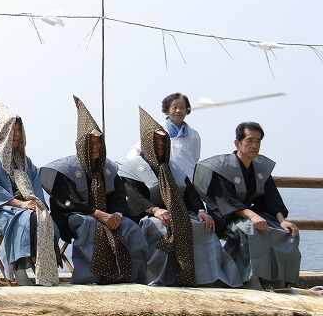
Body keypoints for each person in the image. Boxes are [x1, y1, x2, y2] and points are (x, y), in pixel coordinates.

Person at [119, 107, 241, 288]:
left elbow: (191, 193)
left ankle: (209, 279)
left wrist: (200, 211)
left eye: (163, 141)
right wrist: (155, 210)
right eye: (156, 141)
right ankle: (162, 279)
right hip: (149, 215)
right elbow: (134, 196)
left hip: (180, 213)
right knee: (161, 228)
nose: (160, 144)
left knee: (204, 227)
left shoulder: (175, 167)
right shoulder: (132, 167)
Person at [40, 96, 147, 285]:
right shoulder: (65, 169)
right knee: (90, 226)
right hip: (76, 216)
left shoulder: (110, 169)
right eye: (91, 142)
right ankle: (87, 279)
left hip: (107, 215)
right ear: (82, 144)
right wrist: (97, 213)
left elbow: (119, 198)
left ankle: (132, 278)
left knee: (131, 228)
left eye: (99, 142)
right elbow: (67, 201)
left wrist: (116, 215)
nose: (96, 147)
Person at [193, 122, 300, 290]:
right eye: (250, 140)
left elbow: (272, 198)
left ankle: (281, 281)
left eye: (258, 141)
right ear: (238, 143)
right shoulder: (222, 168)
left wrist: (282, 221)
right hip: (225, 217)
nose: (254, 145)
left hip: (249, 215)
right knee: (252, 230)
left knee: (286, 232)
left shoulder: (260, 168)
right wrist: (252, 216)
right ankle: (252, 278)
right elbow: (226, 201)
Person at [0, 94, 60, 286]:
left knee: (43, 218)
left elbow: (35, 187)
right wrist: (20, 204)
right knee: (25, 219)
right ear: (4, 132)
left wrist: (37, 204)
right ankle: (19, 269)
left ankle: (21, 263)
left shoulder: (25, 160)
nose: (17, 134)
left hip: (23, 206)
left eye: (19, 130)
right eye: (13, 130)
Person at [126, 93, 201, 179]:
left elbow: (195, 158)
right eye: (174, 107)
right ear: (167, 110)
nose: (178, 110)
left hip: (188, 179)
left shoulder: (193, 135)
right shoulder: (157, 130)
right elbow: (138, 149)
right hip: (166, 179)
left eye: (182, 107)